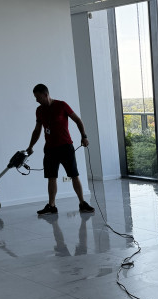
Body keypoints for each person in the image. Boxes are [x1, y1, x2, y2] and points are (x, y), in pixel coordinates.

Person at [26, 83, 94, 215]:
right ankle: (51, 206)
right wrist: (30, 146)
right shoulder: (39, 110)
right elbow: (37, 130)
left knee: (74, 175)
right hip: (50, 149)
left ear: (46, 94)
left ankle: (82, 203)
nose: (36, 100)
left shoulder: (62, 105)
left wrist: (84, 136)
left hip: (65, 147)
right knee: (51, 177)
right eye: (35, 98)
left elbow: (78, 120)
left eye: (38, 97)